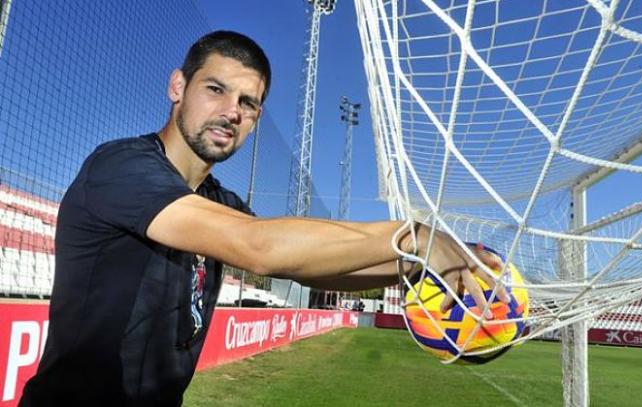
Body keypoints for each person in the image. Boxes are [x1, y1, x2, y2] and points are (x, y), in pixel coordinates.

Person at [19, 30, 508, 406]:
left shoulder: (218, 200)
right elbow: (260, 248)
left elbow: (306, 265)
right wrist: (420, 239)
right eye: (215, 89)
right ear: (178, 86)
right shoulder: (122, 167)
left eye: (248, 103)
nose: (231, 111)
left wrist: (413, 264)